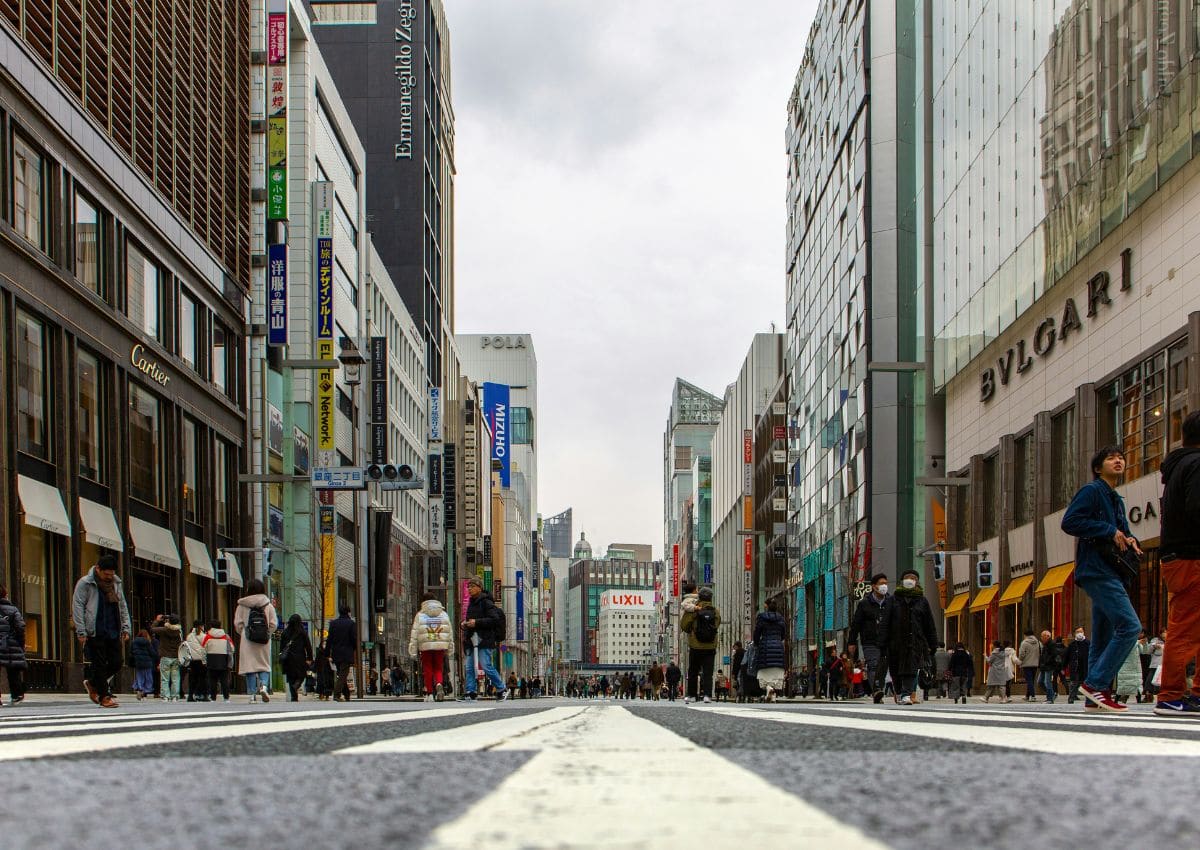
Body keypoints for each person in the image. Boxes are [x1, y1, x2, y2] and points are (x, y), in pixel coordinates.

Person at [1061, 445, 1143, 713]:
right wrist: (1108, 530)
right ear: (1098, 468)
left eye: (1120, 457)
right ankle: (1096, 684)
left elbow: (1120, 532)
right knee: (1130, 627)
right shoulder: (1092, 491)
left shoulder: (1115, 499)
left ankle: (1094, 697)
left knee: (1104, 635)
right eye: (1111, 458)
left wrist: (1129, 539)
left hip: (1110, 570)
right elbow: (1070, 522)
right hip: (1098, 570)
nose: (1118, 460)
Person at [1155, 411, 1200, 716]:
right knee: (1184, 628)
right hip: (1192, 556)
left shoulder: (1179, 465)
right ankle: (1170, 694)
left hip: (1180, 556)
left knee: (1187, 626)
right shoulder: (1197, 464)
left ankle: (1194, 695)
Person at [71, 554, 131, 709]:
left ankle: (92, 683)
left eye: (111, 574)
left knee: (117, 662)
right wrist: (81, 630)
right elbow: (78, 606)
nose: (109, 577)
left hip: (113, 628)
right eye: (106, 574)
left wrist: (126, 627)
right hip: (95, 630)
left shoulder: (116, 583)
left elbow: (122, 605)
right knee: (99, 664)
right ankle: (104, 696)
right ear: (97, 569)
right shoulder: (86, 583)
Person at [878, 568, 937, 705]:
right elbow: (885, 622)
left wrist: (932, 643)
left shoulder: (922, 601)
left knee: (911, 669)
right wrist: (882, 643)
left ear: (917, 582)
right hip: (895, 642)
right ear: (902, 581)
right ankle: (899, 692)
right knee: (896, 669)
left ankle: (906, 694)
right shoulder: (893, 600)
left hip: (915, 642)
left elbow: (929, 624)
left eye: (914, 578)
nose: (911, 580)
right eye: (908, 578)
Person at [461, 576, 507, 701]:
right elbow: (471, 620)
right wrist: (465, 624)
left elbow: (494, 619)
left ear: (479, 588)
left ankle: (501, 687)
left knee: (486, 665)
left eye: (472, 586)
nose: (469, 589)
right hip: (472, 639)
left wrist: (476, 622)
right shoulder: (471, 602)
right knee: (469, 667)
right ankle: (471, 691)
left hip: (485, 639)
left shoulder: (487, 602)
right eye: (468, 586)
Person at [849, 572, 892, 703]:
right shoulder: (864, 604)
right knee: (873, 665)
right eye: (881, 584)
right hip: (870, 641)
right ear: (874, 586)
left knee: (885, 666)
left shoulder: (891, 602)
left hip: (887, 640)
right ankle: (877, 690)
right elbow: (856, 624)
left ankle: (881, 687)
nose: (884, 586)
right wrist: (851, 642)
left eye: (885, 583)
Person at [234, 579, 278, 703]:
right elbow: (274, 623)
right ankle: (263, 686)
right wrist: (267, 633)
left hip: (247, 640)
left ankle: (252, 695)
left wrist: (244, 632)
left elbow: (237, 624)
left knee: (250, 667)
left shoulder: (242, 605)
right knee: (264, 665)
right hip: (263, 640)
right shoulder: (267, 605)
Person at [409, 592, 454, 702]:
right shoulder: (443, 614)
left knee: (427, 668)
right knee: (438, 667)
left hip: (425, 645)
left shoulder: (420, 615)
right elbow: (449, 632)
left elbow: (414, 634)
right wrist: (450, 648)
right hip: (440, 645)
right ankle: (439, 683)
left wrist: (413, 651)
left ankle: (429, 694)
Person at [680, 586, 721, 703]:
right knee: (708, 672)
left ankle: (692, 695)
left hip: (695, 646)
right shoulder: (715, 611)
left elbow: (684, 625)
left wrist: (692, 631)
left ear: (699, 597)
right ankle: (707, 695)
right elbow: (717, 624)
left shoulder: (694, 609)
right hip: (710, 646)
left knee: (693, 671)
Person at [753, 599, 788, 702]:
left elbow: (757, 633)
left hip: (765, 646)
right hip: (778, 646)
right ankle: (772, 693)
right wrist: (777, 640)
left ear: (767, 606)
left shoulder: (761, 617)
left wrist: (757, 643)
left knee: (765, 672)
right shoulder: (781, 618)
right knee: (775, 672)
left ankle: (769, 689)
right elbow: (783, 634)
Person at [0, 585, 28, 705]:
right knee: (13, 670)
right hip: (10, 643)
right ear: (5, 595)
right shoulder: (13, 610)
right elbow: (20, 627)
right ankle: (17, 695)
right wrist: (21, 644)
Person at [279, 614, 313, 701]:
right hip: (300, 657)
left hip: (288, 658)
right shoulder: (302, 632)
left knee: (290, 677)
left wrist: (281, 657)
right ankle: (297, 685)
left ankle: (294, 697)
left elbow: (282, 647)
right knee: (301, 675)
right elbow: (308, 646)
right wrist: (309, 658)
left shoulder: (285, 632)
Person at [327, 604, 358, 702]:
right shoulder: (351, 624)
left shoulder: (333, 623)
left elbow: (329, 639)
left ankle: (347, 694)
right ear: (348, 612)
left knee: (341, 674)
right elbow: (354, 639)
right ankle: (336, 694)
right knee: (342, 674)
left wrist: (327, 652)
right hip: (347, 652)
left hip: (336, 653)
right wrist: (355, 648)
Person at [151, 614, 183, 702]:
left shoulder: (164, 630)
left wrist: (157, 620)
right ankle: (175, 696)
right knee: (176, 678)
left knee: (164, 678)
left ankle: (165, 696)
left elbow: (152, 629)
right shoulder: (179, 631)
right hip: (176, 656)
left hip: (165, 656)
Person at [202, 619, 234, 702]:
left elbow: (203, 649)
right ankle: (226, 697)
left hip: (211, 659)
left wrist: (204, 661)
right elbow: (232, 648)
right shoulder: (226, 636)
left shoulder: (208, 636)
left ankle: (213, 697)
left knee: (212, 680)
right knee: (224, 679)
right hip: (223, 659)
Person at [1063, 626, 1091, 705]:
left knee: (1087, 684)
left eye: (1081, 631)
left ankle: (1089, 700)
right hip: (1075, 667)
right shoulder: (1072, 644)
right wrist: (1063, 667)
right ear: (1074, 633)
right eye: (1078, 632)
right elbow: (1067, 657)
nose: (1079, 633)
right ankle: (1071, 698)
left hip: (1086, 667)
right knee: (1074, 683)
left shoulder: (1088, 643)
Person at [183, 621, 208, 701]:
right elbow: (205, 648)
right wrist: (205, 660)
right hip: (201, 660)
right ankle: (203, 695)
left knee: (193, 678)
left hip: (192, 660)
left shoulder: (189, 635)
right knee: (203, 678)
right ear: (201, 626)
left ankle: (190, 695)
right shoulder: (203, 636)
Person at [129, 629, 157, 700]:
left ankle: (139, 688)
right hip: (147, 662)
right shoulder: (147, 642)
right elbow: (152, 652)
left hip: (138, 662)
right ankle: (145, 691)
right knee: (148, 677)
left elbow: (131, 652)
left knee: (139, 676)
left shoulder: (134, 642)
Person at [1038, 630, 1062, 703]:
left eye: (1043, 636)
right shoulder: (1045, 645)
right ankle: (1052, 694)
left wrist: (1046, 662)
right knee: (1040, 682)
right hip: (1043, 666)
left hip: (1049, 666)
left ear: (1047, 636)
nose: (1041, 638)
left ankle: (1050, 699)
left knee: (1047, 682)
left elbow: (1053, 656)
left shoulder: (1052, 644)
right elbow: (1043, 656)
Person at [1017, 630, 1040, 701]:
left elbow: (1022, 654)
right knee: (1032, 680)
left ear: (1025, 635)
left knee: (1029, 680)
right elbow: (1041, 651)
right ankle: (1027, 696)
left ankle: (1033, 696)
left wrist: (1020, 660)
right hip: (1035, 664)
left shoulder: (1024, 643)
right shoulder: (1038, 642)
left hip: (1027, 664)